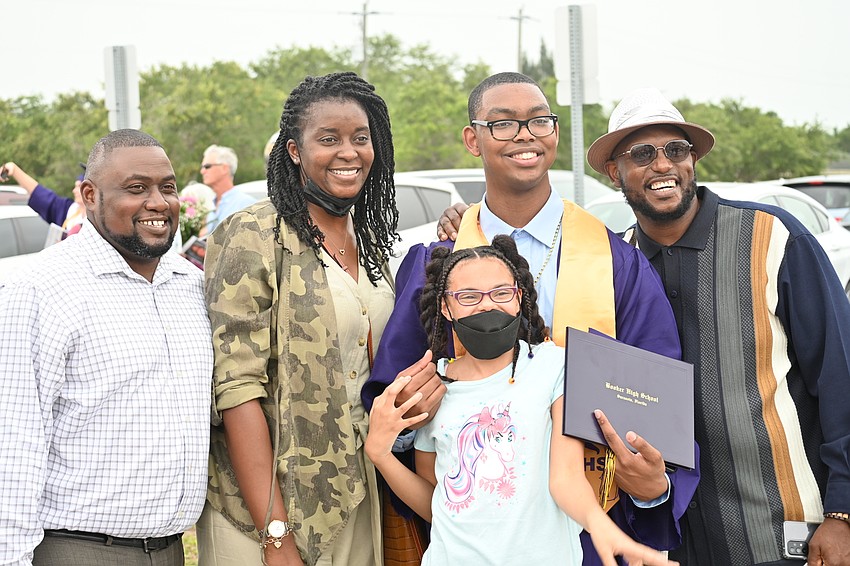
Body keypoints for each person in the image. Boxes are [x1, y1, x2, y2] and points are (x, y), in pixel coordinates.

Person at [363, 72, 699, 565]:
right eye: (503, 124)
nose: (525, 135)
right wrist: (410, 419)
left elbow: (656, 396)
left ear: (555, 134)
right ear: (471, 139)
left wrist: (654, 488)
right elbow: (396, 394)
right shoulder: (438, 259)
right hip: (475, 529)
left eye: (539, 121)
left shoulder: (614, 260)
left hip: (586, 525)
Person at [584, 87, 850, 566]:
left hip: (782, 531)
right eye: (641, 153)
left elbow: (840, 375)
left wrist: (844, 511)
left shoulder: (771, 237)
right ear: (614, 172)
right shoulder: (612, 262)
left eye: (676, 150)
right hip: (669, 540)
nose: (662, 165)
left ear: (693, 161)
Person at [366, 235, 677, 565]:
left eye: (501, 293)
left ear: (519, 298)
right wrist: (379, 453)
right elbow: (439, 502)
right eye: (469, 296)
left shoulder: (556, 366)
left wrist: (601, 526)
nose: (487, 306)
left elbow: (566, 478)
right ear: (446, 306)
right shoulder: (435, 387)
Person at [197, 71, 399, 566]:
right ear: (293, 150)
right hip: (262, 510)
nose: (348, 152)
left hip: (355, 493)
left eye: (360, 138)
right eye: (327, 139)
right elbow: (236, 387)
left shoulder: (370, 244)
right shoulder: (253, 234)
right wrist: (275, 532)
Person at [0, 129, 214, 566]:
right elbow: (13, 445)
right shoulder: (38, 289)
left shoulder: (191, 286)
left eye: (167, 188)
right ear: (89, 195)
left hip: (172, 549)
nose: (158, 202)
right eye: (136, 188)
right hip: (77, 550)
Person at [0, 160, 87, 233]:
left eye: (79, 186)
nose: (74, 191)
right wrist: (15, 171)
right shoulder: (70, 211)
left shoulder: (97, 221)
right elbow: (41, 195)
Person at [199, 143, 256, 234]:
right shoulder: (211, 209)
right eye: (202, 167)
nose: (202, 171)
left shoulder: (246, 204)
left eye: (207, 166)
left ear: (224, 168)